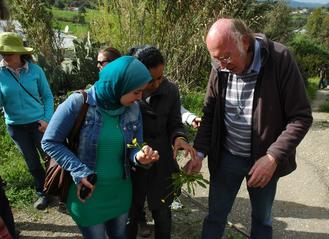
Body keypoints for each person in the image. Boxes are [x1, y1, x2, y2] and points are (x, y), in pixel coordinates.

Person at [184, 18, 313, 239]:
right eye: (215, 59)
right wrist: (200, 152)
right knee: (215, 215)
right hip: (226, 157)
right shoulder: (220, 64)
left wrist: (273, 157)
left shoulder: (280, 59)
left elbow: (300, 117)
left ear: (244, 42)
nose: (221, 66)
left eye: (225, 57)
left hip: (263, 162)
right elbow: (210, 113)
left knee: (262, 221)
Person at [41, 56, 159, 239]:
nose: (140, 97)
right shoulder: (78, 103)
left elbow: (135, 146)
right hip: (87, 197)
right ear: (119, 85)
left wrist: (140, 156)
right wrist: (79, 171)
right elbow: (49, 141)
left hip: (120, 193)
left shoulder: (134, 108)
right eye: (136, 92)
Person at [126, 45, 196, 239]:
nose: (156, 84)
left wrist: (179, 138)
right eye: (150, 80)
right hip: (133, 162)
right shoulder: (126, 94)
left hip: (162, 160)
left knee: (163, 213)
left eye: (160, 77)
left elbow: (175, 123)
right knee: (130, 214)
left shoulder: (170, 90)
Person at [0, 32, 54, 210]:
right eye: (3, 53)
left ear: (19, 52)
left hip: (39, 125)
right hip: (16, 128)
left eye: (9, 52)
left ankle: (60, 190)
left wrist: (46, 120)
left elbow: (47, 97)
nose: (6, 56)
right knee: (32, 163)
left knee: (50, 159)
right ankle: (43, 193)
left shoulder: (36, 70)